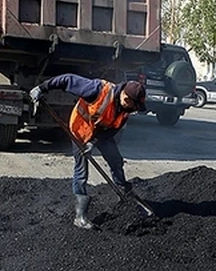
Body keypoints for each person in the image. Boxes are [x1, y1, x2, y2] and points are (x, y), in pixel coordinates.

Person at [30, 74, 146, 229]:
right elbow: (67, 79)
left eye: (134, 106)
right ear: (124, 93)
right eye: (129, 102)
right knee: (81, 169)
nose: (130, 108)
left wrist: (94, 142)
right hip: (81, 130)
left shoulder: (127, 109)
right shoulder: (97, 90)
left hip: (101, 134)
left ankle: (123, 193)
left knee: (116, 160)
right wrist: (42, 88)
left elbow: (113, 130)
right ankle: (80, 216)